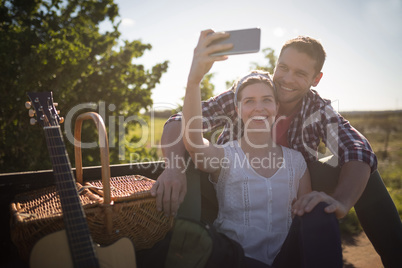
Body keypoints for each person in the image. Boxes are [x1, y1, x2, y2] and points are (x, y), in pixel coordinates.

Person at [152, 30, 402, 267]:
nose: (287, 79)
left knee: (363, 170)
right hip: (228, 183)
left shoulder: (317, 110)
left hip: (288, 187)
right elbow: (181, 123)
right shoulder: (253, 90)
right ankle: (189, 245)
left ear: (316, 79)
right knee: (186, 162)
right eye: (283, 67)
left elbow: (357, 149)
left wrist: (340, 201)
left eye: (300, 73)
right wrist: (174, 168)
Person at [180, 29, 342, 267]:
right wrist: (194, 80)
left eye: (266, 99)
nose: (259, 108)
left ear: (276, 107)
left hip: (285, 259)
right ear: (237, 110)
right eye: (249, 101)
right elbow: (194, 141)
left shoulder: (296, 162)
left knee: (320, 213)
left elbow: (305, 218)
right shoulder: (226, 156)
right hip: (235, 258)